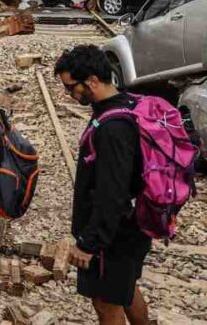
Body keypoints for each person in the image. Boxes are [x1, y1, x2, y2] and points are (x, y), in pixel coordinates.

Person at [54, 45, 151, 325]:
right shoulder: (125, 106)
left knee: (106, 304)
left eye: (71, 87)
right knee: (126, 289)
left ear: (93, 81)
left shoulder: (113, 129)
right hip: (130, 227)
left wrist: (89, 243)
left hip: (114, 235)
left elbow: (112, 192)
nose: (69, 93)